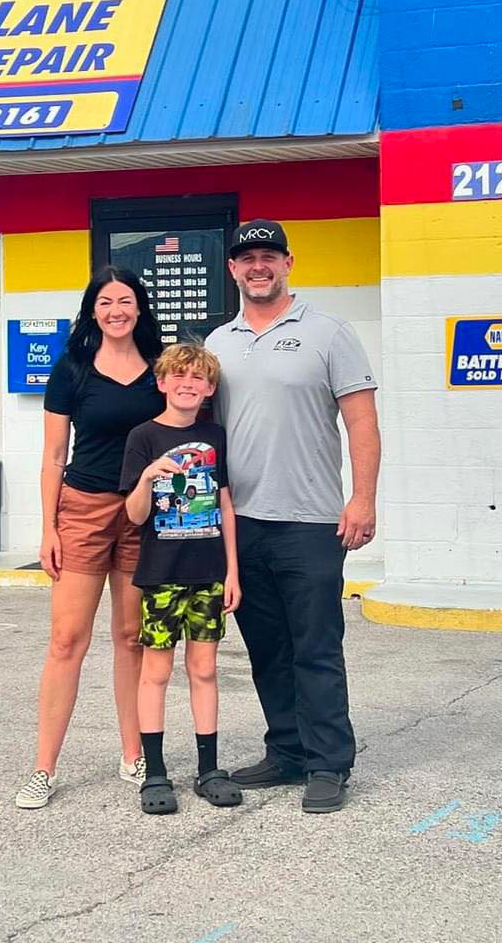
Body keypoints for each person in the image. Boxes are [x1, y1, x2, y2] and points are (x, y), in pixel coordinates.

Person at [204, 219, 381, 814]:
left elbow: (361, 421)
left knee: (317, 647)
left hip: (311, 521)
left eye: (269, 256)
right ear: (232, 268)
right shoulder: (218, 343)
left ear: (289, 263)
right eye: (247, 258)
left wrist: (362, 498)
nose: (258, 266)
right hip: (242, 524)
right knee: (267, 648)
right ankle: (287, 750)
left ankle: (330, 762)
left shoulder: (329, 333)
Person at [15, 266, 165, 810]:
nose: (116, 311)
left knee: (131, 637)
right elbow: (54, 456)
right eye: (105, 302)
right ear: (92, 310)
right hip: (82, 511)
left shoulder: (160, 369)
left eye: (125, 301)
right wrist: (48, 527)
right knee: (66, 640)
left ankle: (134, 753)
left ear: (140, 308)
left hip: (143, 511)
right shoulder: (73, 369)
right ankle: (43, 768)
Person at [120, 343, 242, 815]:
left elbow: (226, 505)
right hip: (162, 575)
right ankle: (154, 772)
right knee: (156, 671)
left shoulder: (216, 436)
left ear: (209, 388)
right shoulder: (143, 437)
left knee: (205, 669)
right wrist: (148, 477)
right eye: (180, 376)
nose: (188, 384)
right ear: (163, 382)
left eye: (199, 378)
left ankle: (208, 768)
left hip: (209, 571)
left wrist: (233, 570)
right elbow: (133, 516)